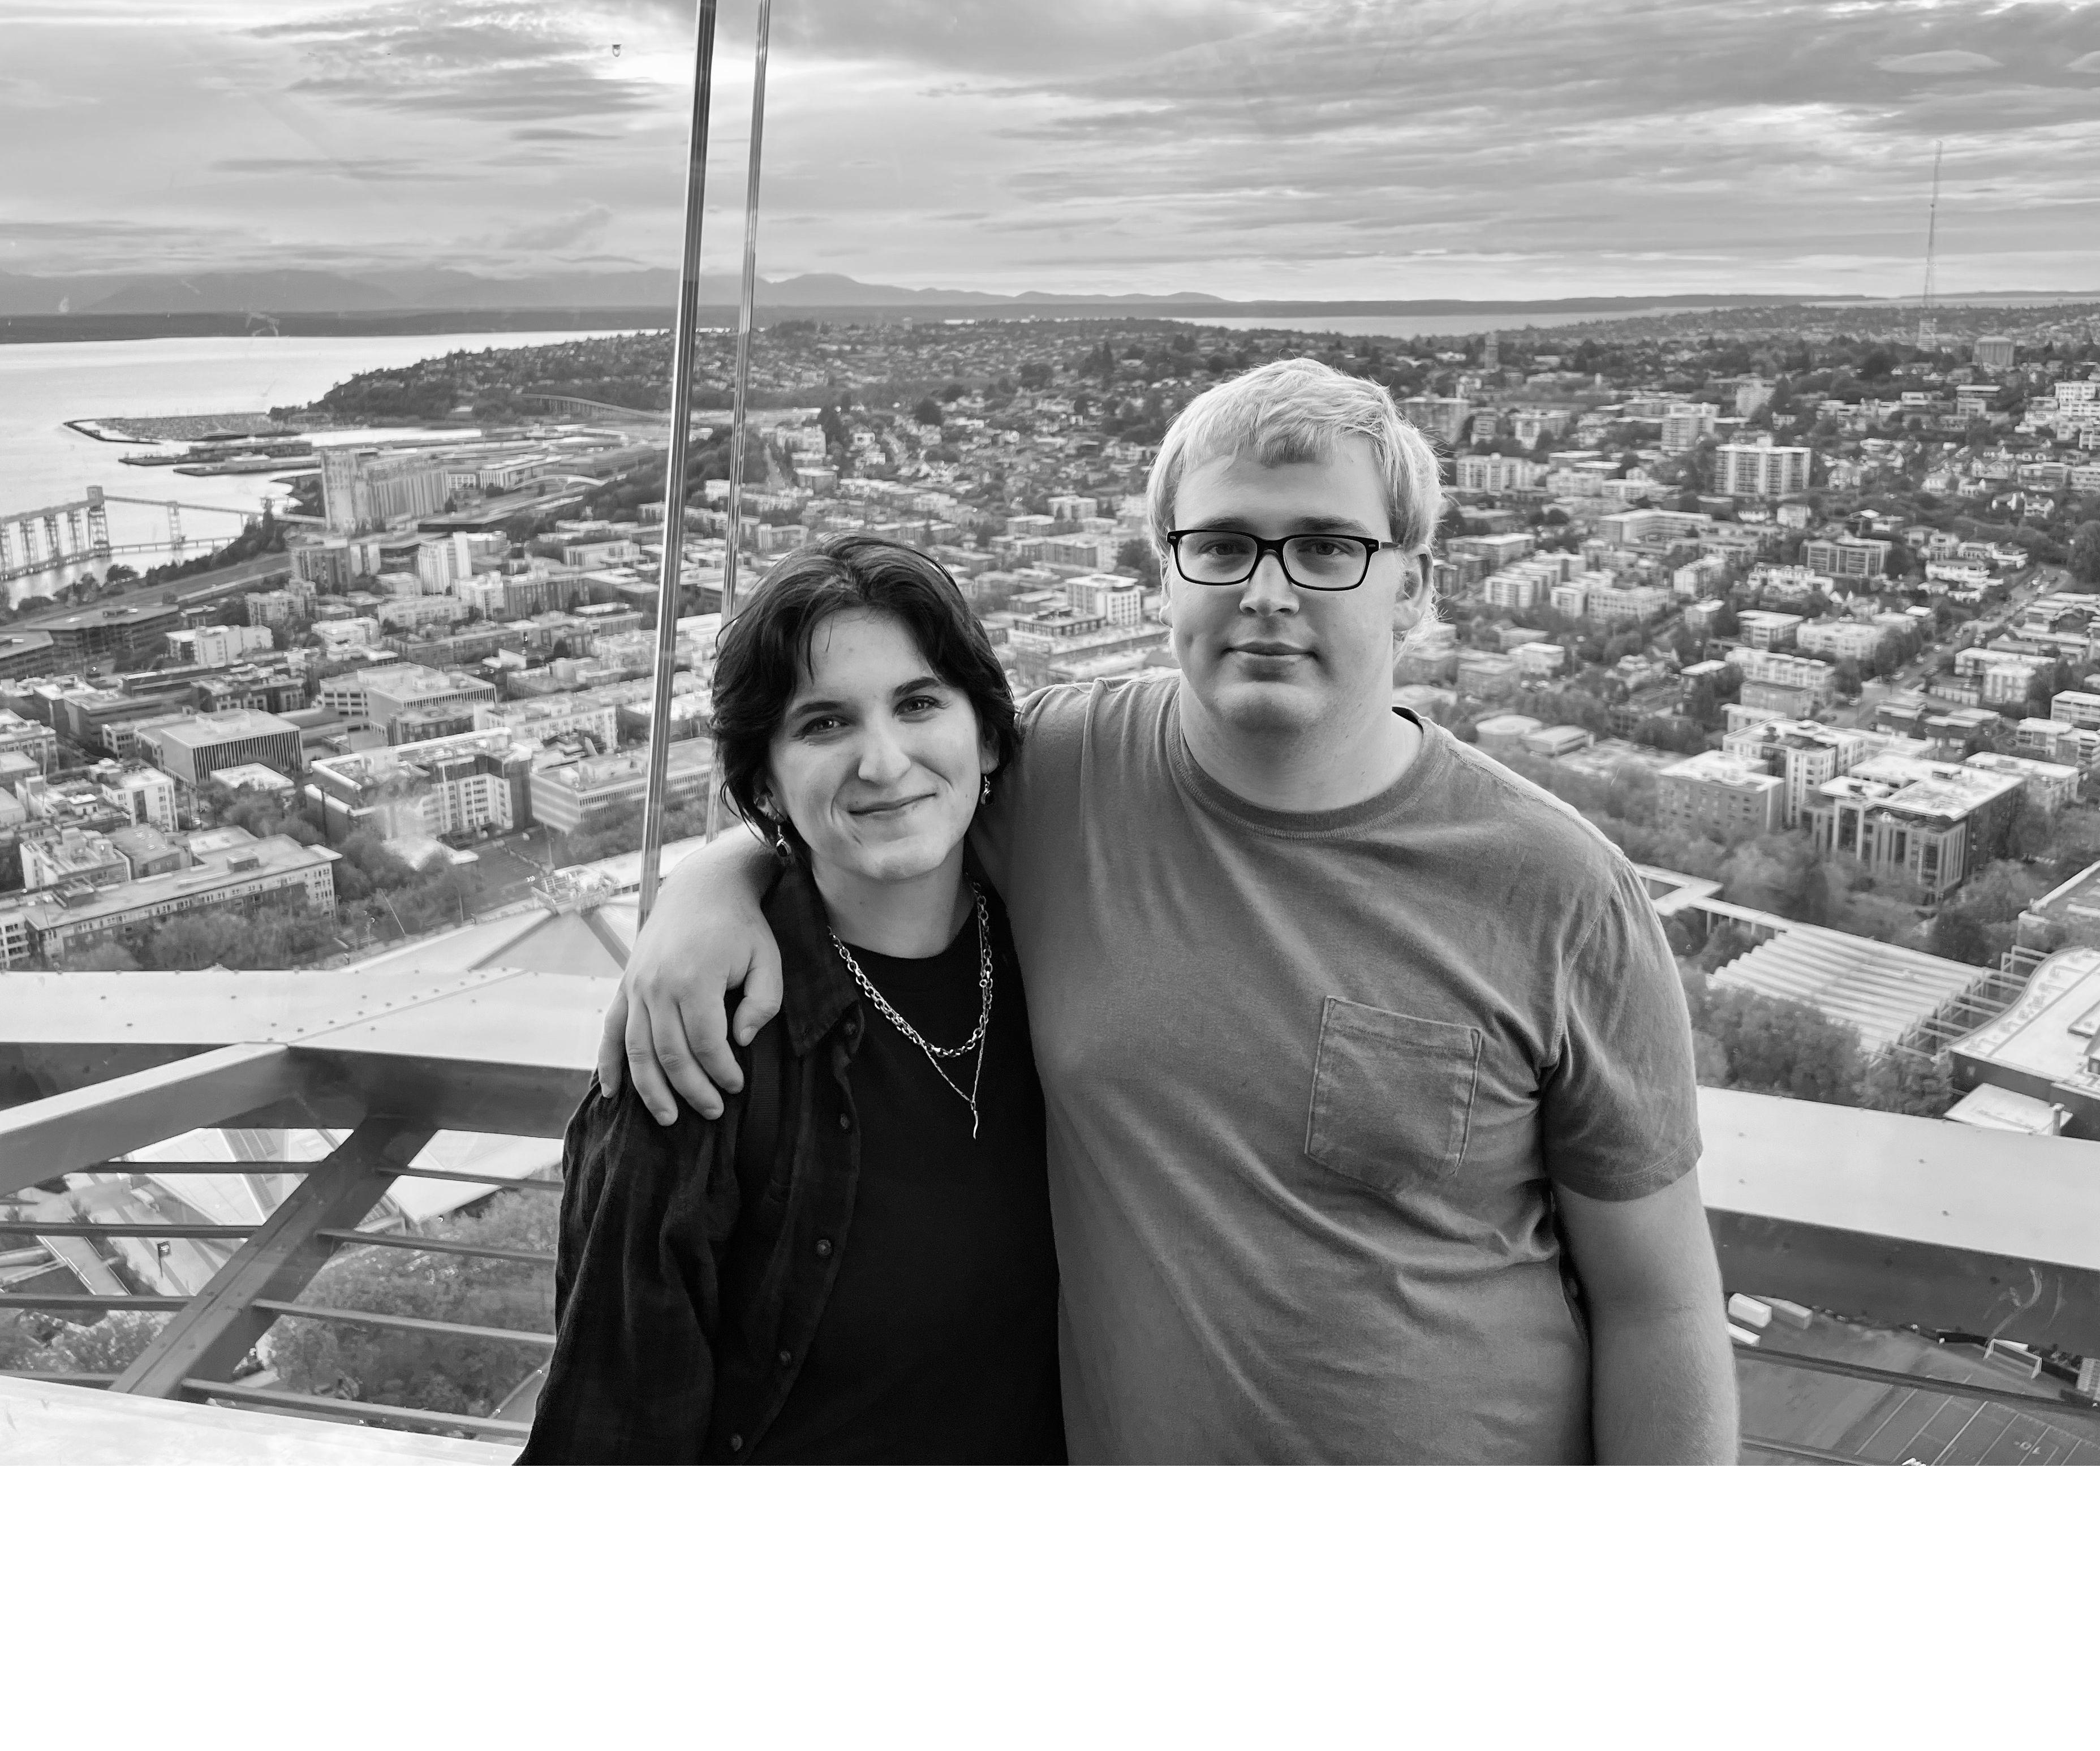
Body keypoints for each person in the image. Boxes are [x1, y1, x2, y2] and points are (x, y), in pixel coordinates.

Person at [599, 359, 1737, 1464]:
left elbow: (1660, 1309)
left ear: (1416, 587)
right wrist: (713, 886)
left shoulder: (1560, 893)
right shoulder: (1063, 770)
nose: (1268, 591)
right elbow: (883, 785)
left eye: (1330, 546)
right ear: (1165, 580)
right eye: (1225, 545)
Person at [519, 536, 1063, 1465]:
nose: (885, 763)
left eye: (920, 703)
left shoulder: (1061, 953)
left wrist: (710, 878)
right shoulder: (703, 1051)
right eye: (824, 725)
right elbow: (611, 1435)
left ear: (988, 733)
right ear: (765, 780)